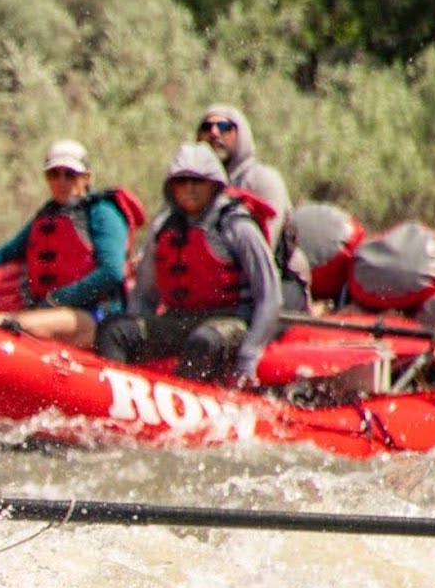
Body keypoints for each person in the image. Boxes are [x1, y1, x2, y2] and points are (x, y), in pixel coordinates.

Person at [94, 143, 280, 386]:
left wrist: (248, 356)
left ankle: (184, 401)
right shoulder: (164, 229)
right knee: (115, 330)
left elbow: (269, 296)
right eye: (181, 182)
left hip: (230, 321)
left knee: (204, 341)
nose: (189, 188)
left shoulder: (237, 225)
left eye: (197, 181)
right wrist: (137, 338)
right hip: (180, 319)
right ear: (172, 187)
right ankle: (113, 393)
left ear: (214, 185)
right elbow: (145, 296)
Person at [0, 139, 142, 349]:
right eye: (53, 174)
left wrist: (58, 298)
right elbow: (4, 253)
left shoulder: (103, 213)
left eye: (70, 174)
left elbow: (112, 272)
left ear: (87, 177)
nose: (61, 181)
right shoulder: (48, 216)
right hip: (53, 311)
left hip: (97, 315)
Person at [197, 104, 308, 308]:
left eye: (223, 127)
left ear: (241, 135)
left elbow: (266, 248)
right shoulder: (190, 187)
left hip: (278, 280)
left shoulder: (263, 179)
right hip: (219, 287)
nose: (213, 133)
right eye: (206, 127)